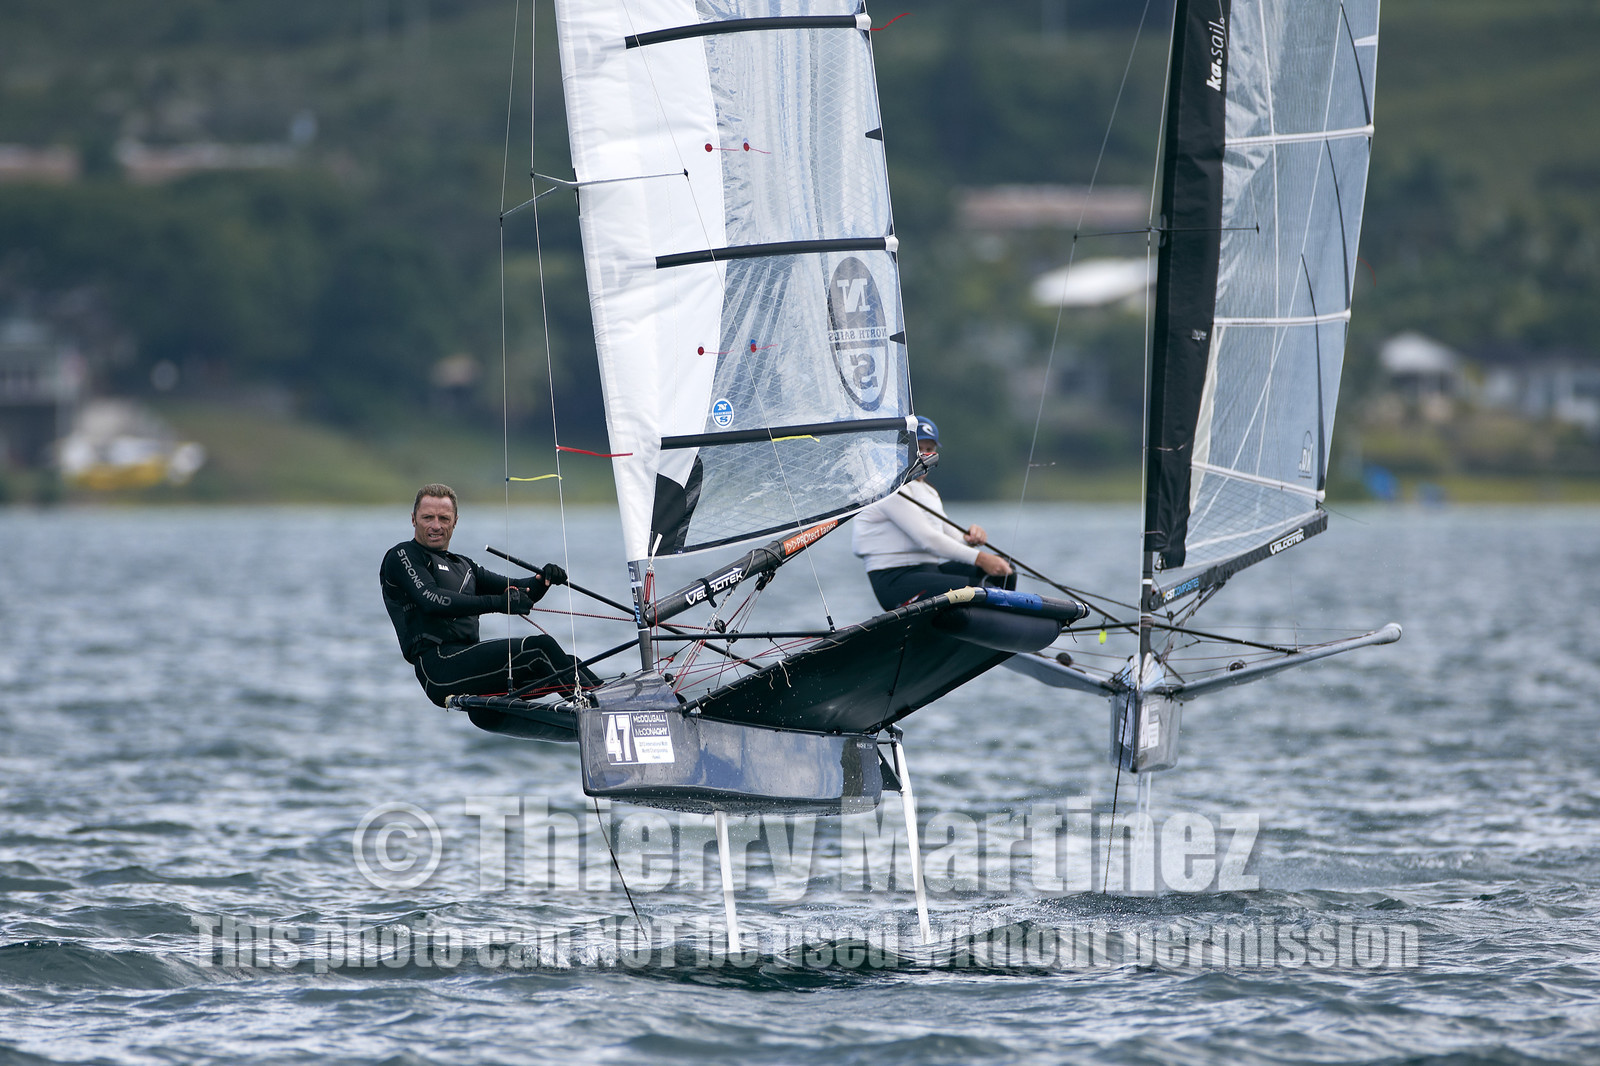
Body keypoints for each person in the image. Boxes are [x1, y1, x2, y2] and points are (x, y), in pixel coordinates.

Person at [380, 483, 592, 705]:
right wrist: (498, 603)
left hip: (471, 662)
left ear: (455, 521)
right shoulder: (403, 555)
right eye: (427, 518)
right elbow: (432, 599)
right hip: (439, 667)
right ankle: (598, 712)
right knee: (542, 647)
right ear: (413, 519)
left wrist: (544, 579)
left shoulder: (463, 565)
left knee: (568, 663)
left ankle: (608, 701)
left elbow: (520, 590)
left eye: (443, 518)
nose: (436, 526)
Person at [852, 418, 1015, 610]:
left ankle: (997, 629)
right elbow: (928, 539)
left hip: (928, 572)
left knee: (1005, 572)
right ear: (901, 449)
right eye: (919, 448)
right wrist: (981, 558)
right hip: (894, 580)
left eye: (930, 448)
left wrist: (970, 538)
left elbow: (952, 537)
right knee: (980, 589)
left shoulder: (929, 492)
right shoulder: (887, 488)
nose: (925, 454)